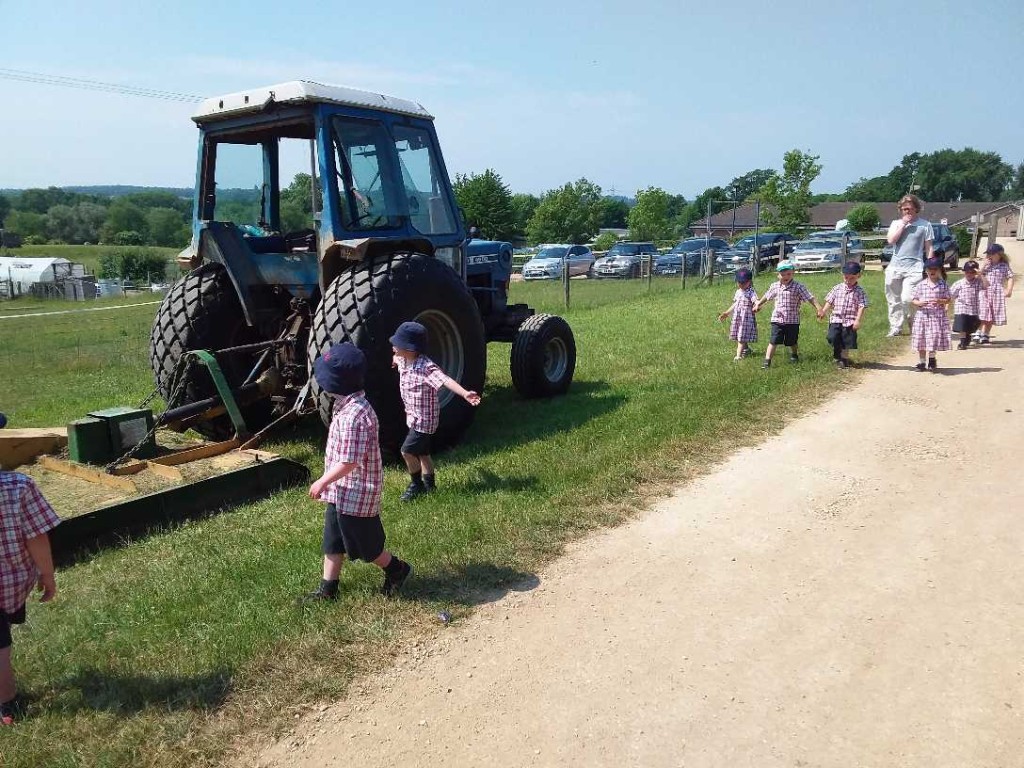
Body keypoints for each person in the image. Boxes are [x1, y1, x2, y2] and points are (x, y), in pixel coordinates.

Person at [303, 344, 413, 602]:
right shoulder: (344, 403)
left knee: (367, 547)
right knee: (333, 541)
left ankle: (397, 569)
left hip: (356, 494)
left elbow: (350, 462)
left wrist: (322, 481)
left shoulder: (356, 415)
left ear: (336, 383)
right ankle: (328, 589)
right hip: (340, 492)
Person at [0, 413, 61, 726]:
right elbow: (37, 537)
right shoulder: (18, 486)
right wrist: (47, 575)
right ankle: (7, 706)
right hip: (10, 583)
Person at [390, 321, 481, 501]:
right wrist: (394, 360)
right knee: (423, 453)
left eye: (397, 344)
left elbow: (445, 380)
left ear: (410, 348)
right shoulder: (403, 359)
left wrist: (465, 394)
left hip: (424, 420)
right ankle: (430, 485)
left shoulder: (426, 367)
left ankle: (416, 485)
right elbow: (396, 359)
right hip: (413, 417)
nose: (393, 347)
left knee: (407, 452)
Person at [752, 261, 824, 369]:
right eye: (783, 274)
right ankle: (767, 361)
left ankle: (794, 355)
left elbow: (810, 297)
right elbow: (767, 296)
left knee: (792, 341)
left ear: (793, 273)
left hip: (792, 320)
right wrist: (758, 304)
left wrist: (819, 309)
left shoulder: (798, 287)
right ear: (778, 274)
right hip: (777, 319)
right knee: (774, 340)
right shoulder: (775, 286)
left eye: (789, 274)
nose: (786, 277)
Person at [884, 195, 934, 337]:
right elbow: (891, 241)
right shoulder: (896, 223)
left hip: (915, 267)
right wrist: (903, 225)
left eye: (910, 209)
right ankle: (896, 327)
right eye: (905, 209)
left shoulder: (925, 225)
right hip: (895, 266)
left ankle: (914, 323)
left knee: (907, 298)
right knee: (893, 299)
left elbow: (929, 247)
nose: (908, 212)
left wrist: (930, 266)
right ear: (901, 210)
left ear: (916, 209)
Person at [817, 261, 869, 369]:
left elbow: (861, 306)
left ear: (858, 276)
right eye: (846, 278)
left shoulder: (860, 292)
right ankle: (837, 354)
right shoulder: (837, 288)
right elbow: (829, 301)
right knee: (832, 337)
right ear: (842, 275)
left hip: (850, 320)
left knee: (847, 341)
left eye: (852, 278)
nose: (849, 281)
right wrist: (823, 311)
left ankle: (844, 359)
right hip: (836, 319)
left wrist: (858, 320)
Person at [910, 257, 952, 371]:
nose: (932, 271)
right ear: (926, 270)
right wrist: (919, 303)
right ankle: (922, 362)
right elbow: (913, 299)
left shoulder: (943, 285)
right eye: (929, 269)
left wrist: (940, 301)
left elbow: (948, 299)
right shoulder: (921, 285)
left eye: (935, 269)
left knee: (933, 338)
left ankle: (932, 358)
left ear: (940, 270)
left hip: (936, 316)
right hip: (923, 315)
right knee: (921, 338)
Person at [976, 243, 1015, 344]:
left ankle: (986, 334)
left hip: (997, 292)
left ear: (999, 254)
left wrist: (1009, 290)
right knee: (983, 312)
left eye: (992, 254)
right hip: (984, 291)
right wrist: (984, 265)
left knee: (992, 314)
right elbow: (978, 275)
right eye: (988, 254)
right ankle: (978, 331)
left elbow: (1010, 277)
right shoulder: (986, 265)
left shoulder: (1004, 266)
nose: (989, 256)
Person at [717, 268, 759, 361]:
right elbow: (735, 304)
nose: (741, 284)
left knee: (741, 337)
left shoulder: (751, 292)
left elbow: (756, 300)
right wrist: (727, 313)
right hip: (738, 317)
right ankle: (746, 349)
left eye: (743, 282)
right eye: (739, 282)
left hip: (746, 319)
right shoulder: (738, 292)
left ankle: (738, 356)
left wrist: (757, 305)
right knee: (740, 335)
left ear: (749, 282)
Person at [948, 260, 987, 350]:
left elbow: (986, 285)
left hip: (973, 309)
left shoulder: (978, 282)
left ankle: (967, 337)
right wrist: (946, 305)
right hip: (961, 307)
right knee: (962, 325)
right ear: (964, 272)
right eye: (967, 272)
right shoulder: (959, 283)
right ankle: (962, 343)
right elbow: (951, 295)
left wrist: (981, 275)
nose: (969, 274)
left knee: (971, 326)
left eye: (972, 272)